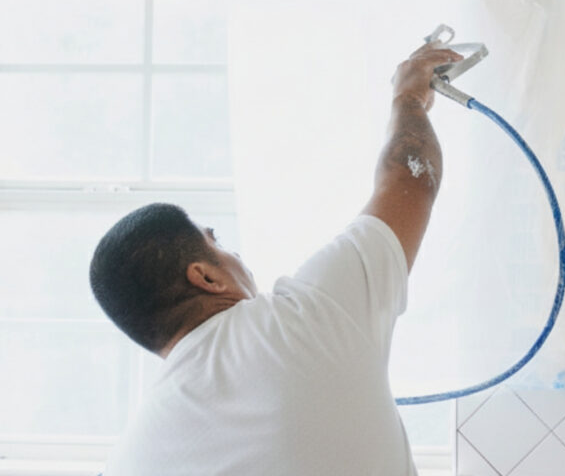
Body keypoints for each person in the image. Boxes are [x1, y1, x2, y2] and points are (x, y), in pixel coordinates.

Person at [89, 43, 463, 476]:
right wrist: (409, 98)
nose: (237, 256)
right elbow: (410, 179)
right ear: (206, 278)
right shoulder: (305, 318)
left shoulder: (134, 451)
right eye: (218, 244)